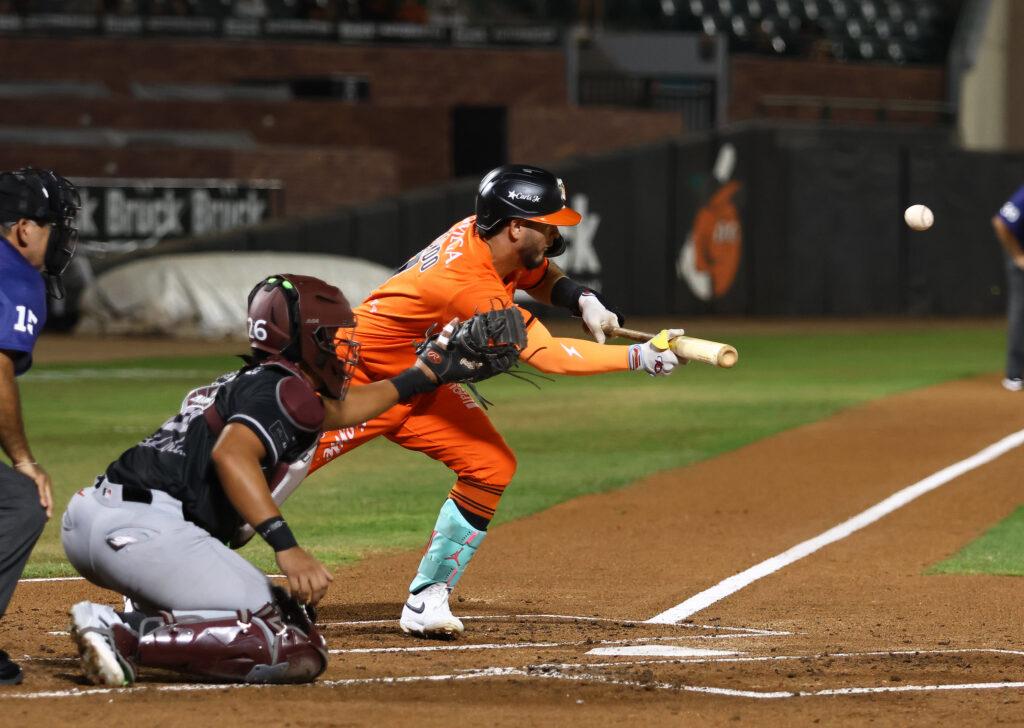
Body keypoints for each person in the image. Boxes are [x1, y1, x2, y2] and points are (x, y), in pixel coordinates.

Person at [61, 273, 523, 687]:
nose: (342, 347)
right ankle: (122, 634)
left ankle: (150, 611)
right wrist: (287, 547)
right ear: (302, 338)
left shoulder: (259, 381)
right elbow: (233, 455)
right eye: (331, 336)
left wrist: (423, 376)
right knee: (293, 642)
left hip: (98, 518)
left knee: (288, 618)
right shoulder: (284, 390)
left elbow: (340, 413)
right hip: (143, 533)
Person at [310, 164, 685, 639]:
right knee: (271, 473)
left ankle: (427, 600)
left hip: (417, 378)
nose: (555, 232)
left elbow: (539, 272)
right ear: (516, 227)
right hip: (352, 380)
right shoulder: (466, 282)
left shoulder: (485, 237)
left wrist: (581, 297)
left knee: (489, 464)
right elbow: (547, 355)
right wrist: (638, 358)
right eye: (548, 223)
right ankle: (197, 576)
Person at [0, 167, 80, 686]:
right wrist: (24, 460)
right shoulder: (14, 273)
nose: (60, 239)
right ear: (25, 228)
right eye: (55, 227)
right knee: (20, 500)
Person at [993, 182, 1024, 391]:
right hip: (1020, 252)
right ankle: (1014, 374)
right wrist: (1018, 256)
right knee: (1020, 311)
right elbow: (1000, 222)